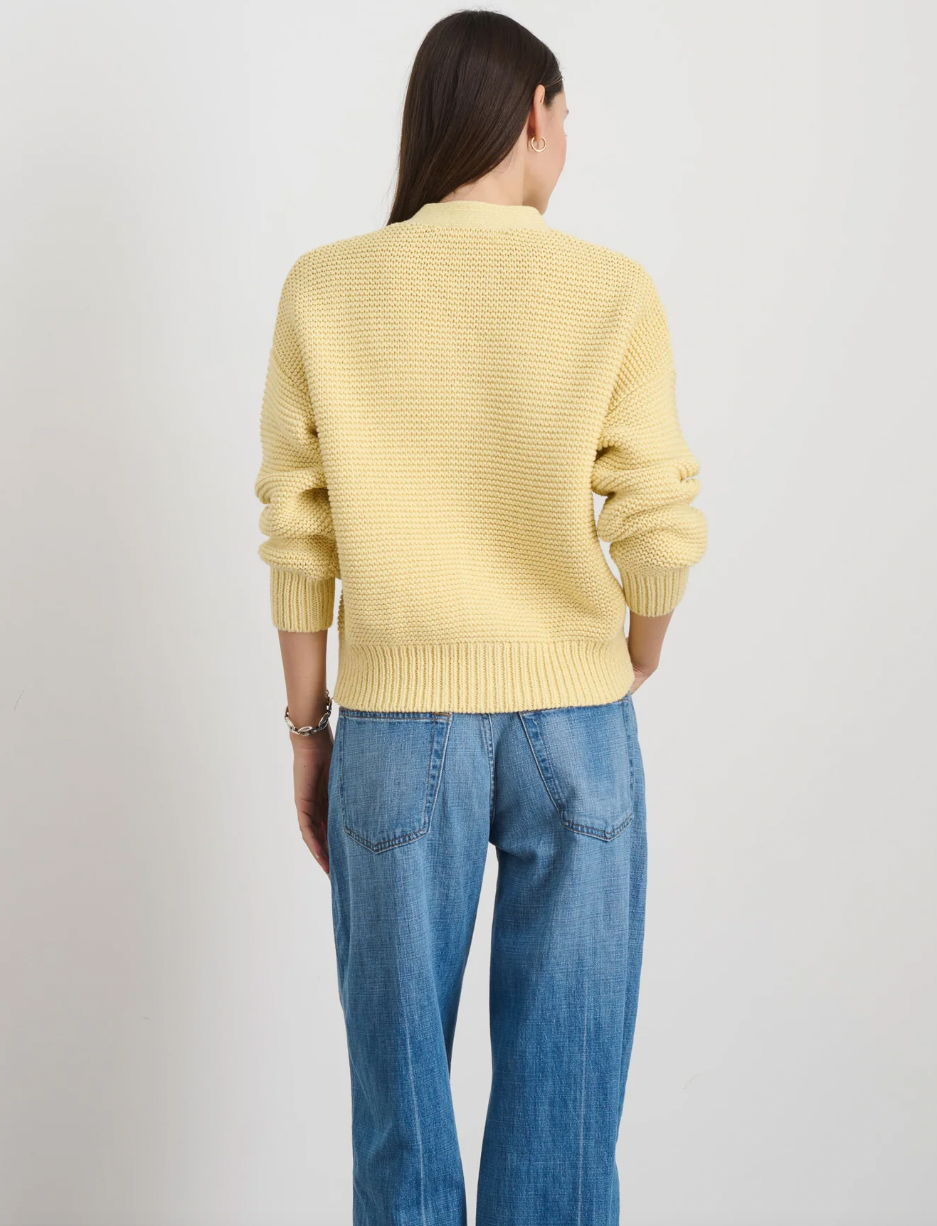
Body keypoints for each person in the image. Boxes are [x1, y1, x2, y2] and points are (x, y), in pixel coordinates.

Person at [254, 10, 707, 1224]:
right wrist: (634, 650)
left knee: (400, 1121)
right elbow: (657, 523)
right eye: (565, 116)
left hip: (396, 727)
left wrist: (307, 729)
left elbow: (298, 532)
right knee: (566, 1126)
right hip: (579, 722)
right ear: (533, 116)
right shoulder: (609, 289)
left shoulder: (325, 287)